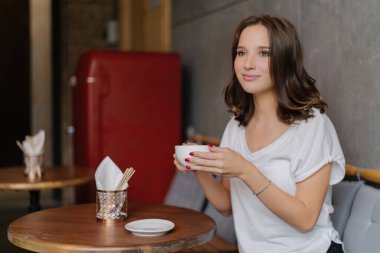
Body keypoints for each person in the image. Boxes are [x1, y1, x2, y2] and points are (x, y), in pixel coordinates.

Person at [173, 15, 345, 253]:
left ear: (284, 59)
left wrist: (246, 170)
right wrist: (198, 167)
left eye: (264, 53)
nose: (248, 64)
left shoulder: (312, 125)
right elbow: (225, 205)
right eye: (241, 53)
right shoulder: (237, 125)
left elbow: (306, 220)